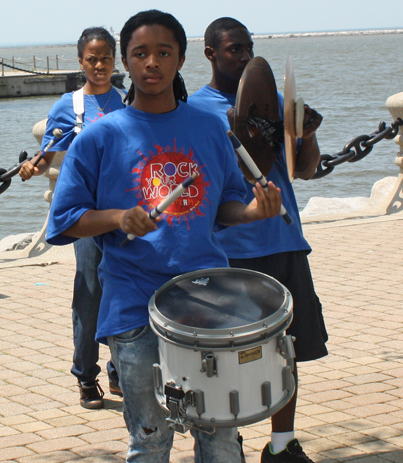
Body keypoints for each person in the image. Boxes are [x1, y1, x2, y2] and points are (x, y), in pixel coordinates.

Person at [46, 9, 283, 463]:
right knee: (151, 440)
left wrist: (253, 211)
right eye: (140, 53)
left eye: (163, 52)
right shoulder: (99, 138)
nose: (151, 62)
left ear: (181, 59)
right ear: (126, 62)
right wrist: (118, 219)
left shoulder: (210, 128)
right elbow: (65, 220)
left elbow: (225, 206)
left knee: (219, 437)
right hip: (135, 307)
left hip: (209, 302)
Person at [188, 17, 328, 463]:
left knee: (287, 351)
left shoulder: (277, 103)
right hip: (234, 252)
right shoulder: (196, 112)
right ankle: (227, 445)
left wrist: (305, 131)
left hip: (286, 242)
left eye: (248, 48)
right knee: (229, 360)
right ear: (210, 53)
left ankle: (283, 445)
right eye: (233, 50)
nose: (244, 56)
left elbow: (303, 170)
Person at [19, 26, 125, 409]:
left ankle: (120, 368)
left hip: (123, 214)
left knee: (125, 289)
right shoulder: (69, 105)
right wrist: (33, 167)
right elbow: (47, 155)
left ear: (116, 61)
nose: (99, 65)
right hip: (85, 216)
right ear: (81, 62)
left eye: (106, 58)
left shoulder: (128, 103)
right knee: (90, 292)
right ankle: (85, 375)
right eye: (92, 59)